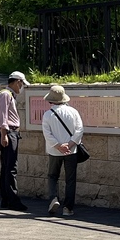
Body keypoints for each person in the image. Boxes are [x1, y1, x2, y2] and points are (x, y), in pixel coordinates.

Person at [42, 84, 84, 218]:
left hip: (54, 151)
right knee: (70, 179)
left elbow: (47, 134)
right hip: (71, 151)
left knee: (52, 176)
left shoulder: (47, 115)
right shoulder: (73, 112)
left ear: (50, 100)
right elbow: (80, 129)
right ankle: (68, 208)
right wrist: (70, 144)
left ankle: (53, 198)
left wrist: (58, 146)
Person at [0, 71, 30, 211]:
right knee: (11, 167)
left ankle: (6, 199)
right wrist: (4, 134)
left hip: (9, 133)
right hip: (9, 133)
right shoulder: (5, 95)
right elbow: (2, 116)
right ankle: (12, 200)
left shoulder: (8, 95)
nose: (22, 87)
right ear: (17, 81)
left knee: (6, 167)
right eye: (22, 84)